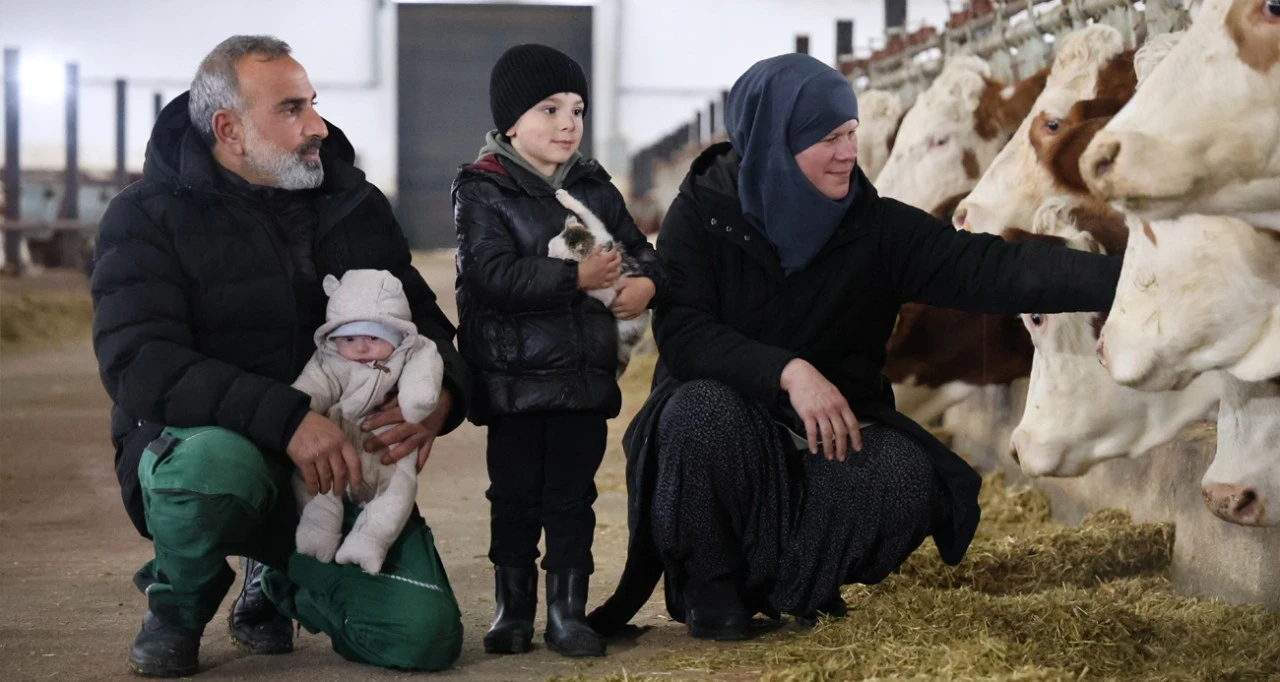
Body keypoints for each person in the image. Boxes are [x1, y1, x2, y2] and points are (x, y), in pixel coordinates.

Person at [587, 53, 1122, 641]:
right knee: (697, 411)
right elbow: (685, 335)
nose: (849, 152)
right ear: (774, 140)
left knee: (905, 478)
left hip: (828, 433)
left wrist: (1133, 275)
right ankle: (712, 588)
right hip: (729, 426)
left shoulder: (873, 227)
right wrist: (789, 371)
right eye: (828, 138)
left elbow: (992, 267)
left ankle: (781, 585)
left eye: (850, 134)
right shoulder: (704, 213)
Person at [91, 35, 469, 677]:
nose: (317, 126)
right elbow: (138, 361)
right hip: (215, 452)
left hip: (335, 467)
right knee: (214, 466)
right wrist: (289, 419)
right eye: (292, 109)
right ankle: (179, 601)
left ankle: (279, 574)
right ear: (229, 129)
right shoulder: (145, 217)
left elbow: (426, 327)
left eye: (313, 104)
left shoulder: (355, 207)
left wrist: (444, 401)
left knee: (420, 638)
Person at [451, 44, 665, 658]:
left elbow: (640, 251)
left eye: (577, 109)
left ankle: (567, 614)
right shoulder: (482, 190)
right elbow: (490, 275)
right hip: (515, 384)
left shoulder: (595, 188)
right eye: (550, 109)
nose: (569, 122)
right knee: (514, 499)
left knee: (573, 500)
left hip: (581, 381)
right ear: (512, 121)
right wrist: (576, 280)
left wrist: (647, 283)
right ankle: (510, 610)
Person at [290, 269, 444, 577]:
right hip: (334, 449)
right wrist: (294, 410)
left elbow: (423, 378)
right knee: (310, 479)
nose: (360, 348)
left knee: (399, 490)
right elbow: (312, 388)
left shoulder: (412, 352)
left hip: (387, 449)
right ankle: (320, 526)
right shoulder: (329, 361)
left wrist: (419, 402)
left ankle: (371, 539)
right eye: (349, 338)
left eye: (373, 338)